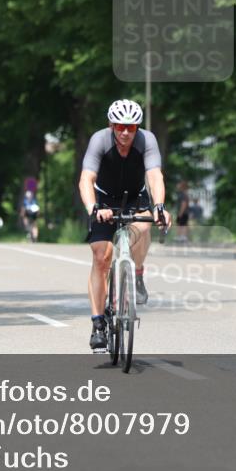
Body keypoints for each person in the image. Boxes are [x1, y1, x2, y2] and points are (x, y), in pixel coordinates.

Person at [78, 99, 172, 351]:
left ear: (137, 127)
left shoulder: (147, 141)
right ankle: (98, 324)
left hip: (134, 197)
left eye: (131, 127)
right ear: (111, 124)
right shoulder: (99, 140)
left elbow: (154, 175)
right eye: (120, 126)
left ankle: (137, 271)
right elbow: (86, 178)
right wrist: (93, 209)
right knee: (102, 256)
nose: (125, 132)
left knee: (143, 227)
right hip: (103, 200)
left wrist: (159, 206)